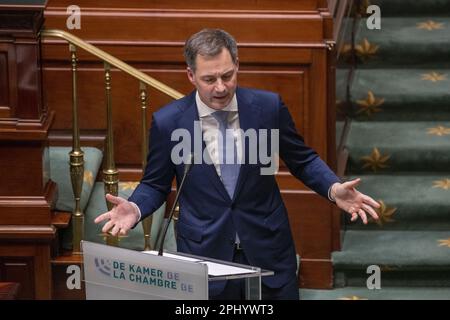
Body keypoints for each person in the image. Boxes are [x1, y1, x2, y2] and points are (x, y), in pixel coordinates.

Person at [95, 28, 380, 300]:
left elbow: (302, 160)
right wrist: (135, 207)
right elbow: (155, 184)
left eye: (227, 76)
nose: (220, 87)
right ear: (191, 75)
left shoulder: (268, 108)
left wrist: (333, 188)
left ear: (237, 66)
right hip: (205, 253)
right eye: (209, 79)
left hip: (268, 248)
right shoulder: (169, 122)